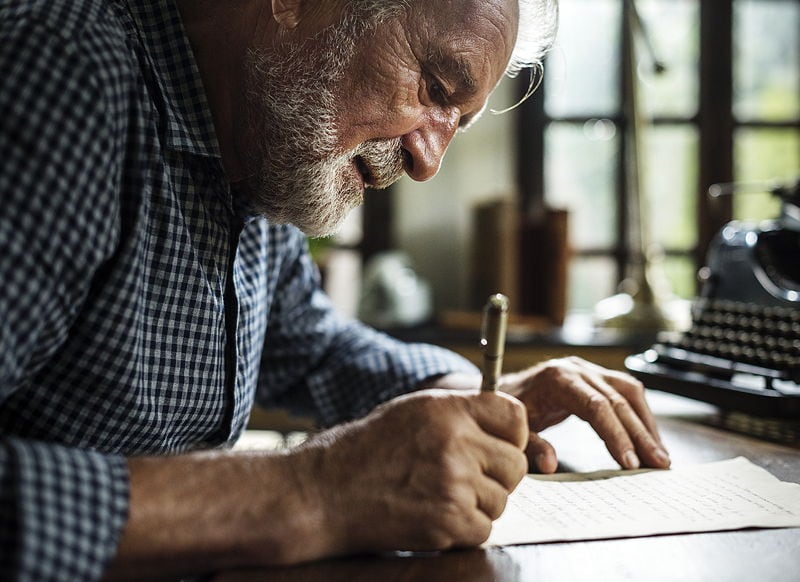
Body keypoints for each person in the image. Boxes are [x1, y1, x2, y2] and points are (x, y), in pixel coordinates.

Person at [0, 0, 671, 580]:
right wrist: (313, 492)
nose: (428, 162)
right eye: (435, 86)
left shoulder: (261, 146)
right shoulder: (61, 74)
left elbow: (312, 347)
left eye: (456, 123)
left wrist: (479, 396)